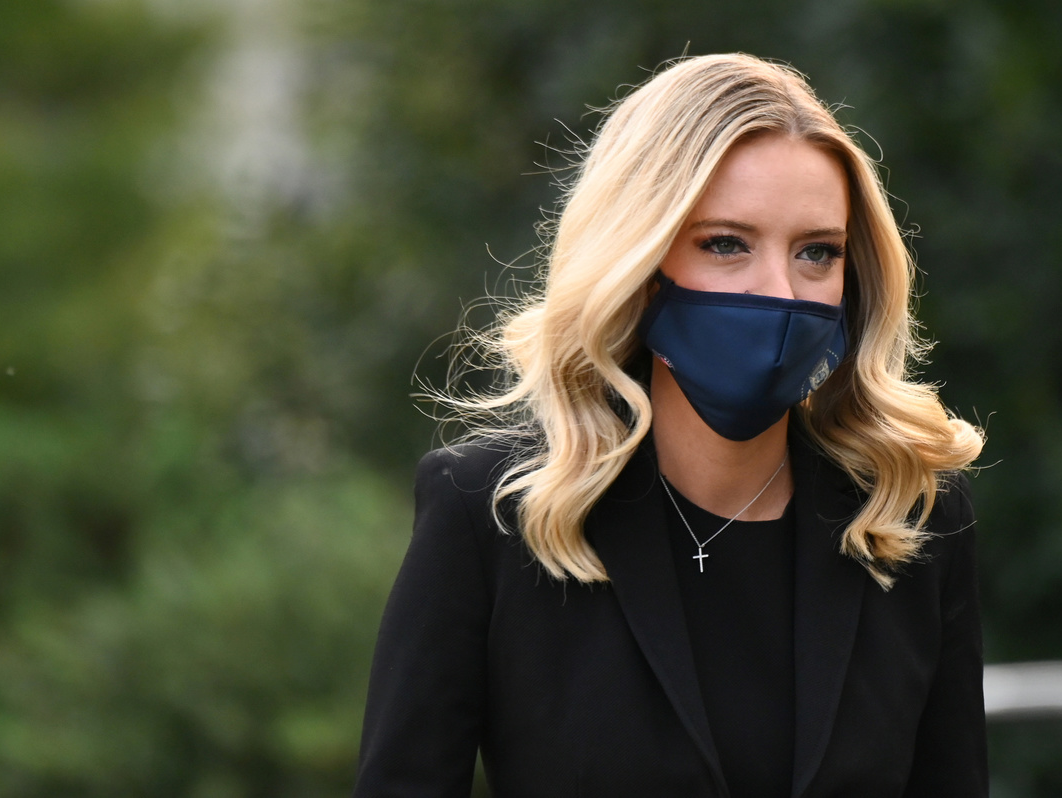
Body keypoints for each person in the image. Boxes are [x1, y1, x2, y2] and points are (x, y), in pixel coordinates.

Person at [354, 53, 987, 797]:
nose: (780, 292)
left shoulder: (910, 516)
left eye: (817, 252)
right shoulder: (491, 512)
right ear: (640, 261)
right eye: (726, 244)